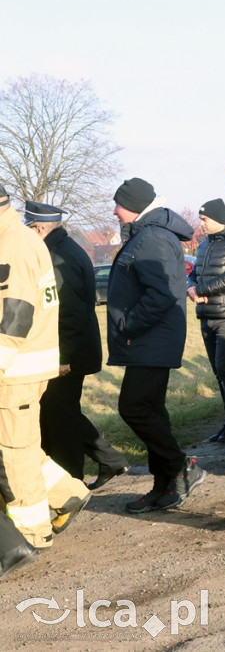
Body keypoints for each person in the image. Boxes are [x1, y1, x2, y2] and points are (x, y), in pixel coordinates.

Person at [107, 178, 207, 512]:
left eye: (118, 204)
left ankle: (182, 467)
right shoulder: (146, 234)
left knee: (133, 408)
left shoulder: (152, 238)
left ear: (133, 205)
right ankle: (163, 485)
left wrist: (127, 324)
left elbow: (162, 293)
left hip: (150, 339)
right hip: (149, 339)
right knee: (152, 412)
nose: (115, 211)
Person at [0, 187, 92, 547]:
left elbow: (15, 316)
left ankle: (31, 534)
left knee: (14, 453)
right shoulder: (17, 238)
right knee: (18, 445)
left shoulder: (13, 245)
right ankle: (67, 493)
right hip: (24, 367)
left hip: (14, 370)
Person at [24, 201, 129, 488]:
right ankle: (109, 461)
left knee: (57, 417)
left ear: (40, 228)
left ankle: (71, 481)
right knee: (62, 411)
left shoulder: (58, 257)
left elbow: (67, 312)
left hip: (66, 353)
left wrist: (63, 357)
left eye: (29, 228)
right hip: (70, 349)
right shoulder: (65, 249)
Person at [186, 198, 225, 444]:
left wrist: (201, 290)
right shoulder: (203, 246)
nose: (201, 224)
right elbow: (193, 275)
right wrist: (190, 287)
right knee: (218, 373)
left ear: (218, 219)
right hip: (205, 317)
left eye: (204, 219)